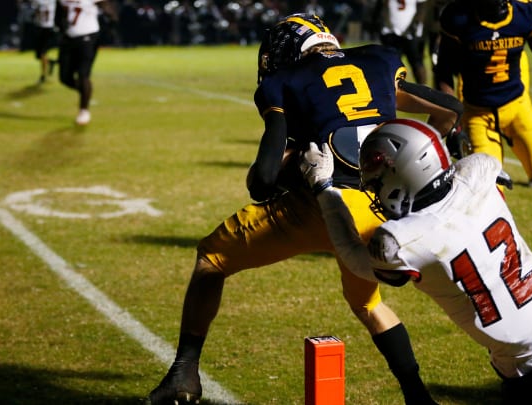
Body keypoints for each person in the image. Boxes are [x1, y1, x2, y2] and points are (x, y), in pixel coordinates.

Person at [147, 13, 463, 405]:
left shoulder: (286, 81)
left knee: (211, 259)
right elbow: (449, 110)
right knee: (368, 303)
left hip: (319, 207)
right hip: (382, 210)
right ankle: (417, 397)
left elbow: (261, 182)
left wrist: (292, 161)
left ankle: (184, 374)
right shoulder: (378, 60)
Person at [299, 117, 532, 405]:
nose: (375, 189)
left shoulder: (399, 242)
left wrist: (324, 188)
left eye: (377, 180)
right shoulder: (480, 169)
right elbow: (477, 165)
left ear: (403, 175)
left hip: (531, 371)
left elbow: (354, 258)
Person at [433, 0, 532, 276]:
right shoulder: (458, 17)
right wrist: (454, 121)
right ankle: (498, 260)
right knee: (488, 193)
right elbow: (444, 73)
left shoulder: (524, 15)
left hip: (518, 108)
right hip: (478, 113)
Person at [56, 0, 114, 125]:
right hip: (68, 38)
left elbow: (109, 9)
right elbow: (60, 12)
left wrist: (109, 18)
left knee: (83, 74)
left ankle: (84, 110)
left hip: (88, 37)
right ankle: (85, 91)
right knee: (64, 77)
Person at [379, 0, 428, 84]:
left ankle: (423, 89)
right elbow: (383, 6)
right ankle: (393, 89)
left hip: (410, 33)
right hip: (391, 32)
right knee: (391, 63)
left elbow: (422, 7)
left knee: (416, 62)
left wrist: (415, 24)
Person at [31, 0, 58, 84]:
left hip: (45, 28)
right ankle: (50, 62)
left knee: (42, 53)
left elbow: (37, 12)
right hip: (45, 27)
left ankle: (43, 76)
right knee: (39, 54)